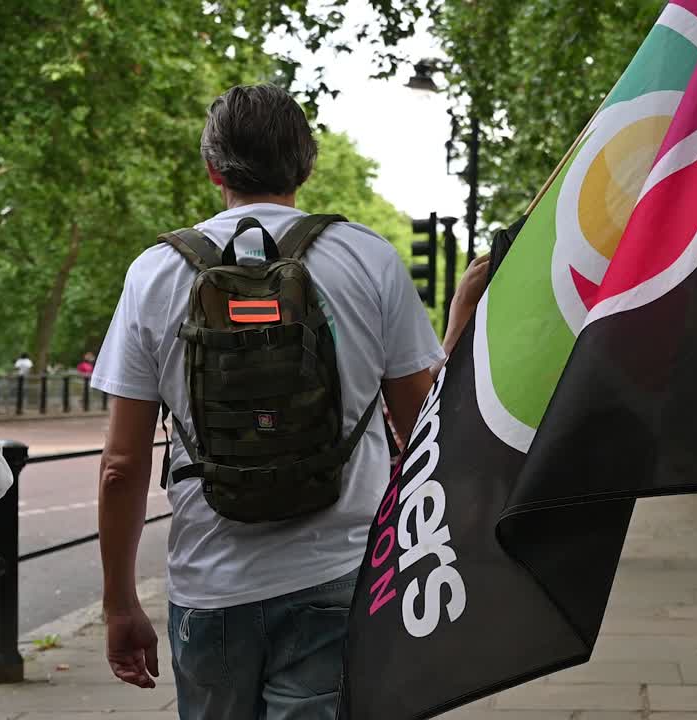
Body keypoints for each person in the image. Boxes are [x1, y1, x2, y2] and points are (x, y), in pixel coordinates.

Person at [91, 84, 489, 720]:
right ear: (306, 164)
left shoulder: (154, 273)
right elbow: (426, 427)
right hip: (339, 571)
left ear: (213, 169)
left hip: (208, 579)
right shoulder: (369, 258)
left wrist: (119, 604)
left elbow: (120, 467)